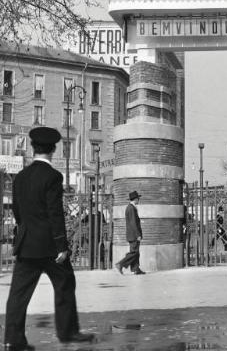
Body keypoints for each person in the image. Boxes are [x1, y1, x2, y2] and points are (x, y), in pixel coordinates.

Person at [4, 127, 95, 350]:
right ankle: (68, 332)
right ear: (54, 150)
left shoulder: (20, 177)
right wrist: (61, 246)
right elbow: (55, 212)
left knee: (18, 294)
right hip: (50, 247)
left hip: (26, 245)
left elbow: (17, 211)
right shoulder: (53, 176)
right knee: (64, 284)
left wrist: (26, 231)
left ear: (33, 148)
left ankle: (13, 341)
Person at [114, 191, 145, 275]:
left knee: (135, 252)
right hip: (133, 235)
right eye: (138, 198)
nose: (139, 200)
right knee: (134, 252)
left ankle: (136, 269)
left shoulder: (131, 207)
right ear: (135, 199)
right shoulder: (131, 208)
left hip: (132, 234)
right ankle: (120, 264)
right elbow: (133, 223)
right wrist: (138, 234)